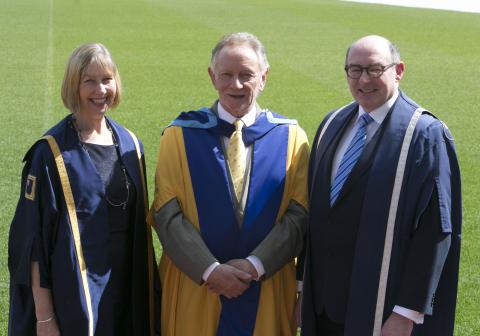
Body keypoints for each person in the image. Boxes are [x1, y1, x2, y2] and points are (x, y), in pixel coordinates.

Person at [149, 32, 309, 335]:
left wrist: (255, 265)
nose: (236, 85)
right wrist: (211, 271)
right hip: (198, 290)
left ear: (264, 77)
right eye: (226, 75)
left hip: (267, 288)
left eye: (246, 75)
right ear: (212, 77)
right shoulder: (179, 134)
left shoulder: (291, 138)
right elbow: (166, 213)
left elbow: (299, 215)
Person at [301, 35, 462, 336]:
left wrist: (406, 313)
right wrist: (302, 287)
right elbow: (316, 216)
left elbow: (435, 230)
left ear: (398, 70)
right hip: (323, 304)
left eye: (375, 69)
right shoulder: (331, 124)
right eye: (354, 69)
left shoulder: (425, 135)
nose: (363, 79)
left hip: (381, 306)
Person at [8, 43, 160, 336]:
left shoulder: (130, 144)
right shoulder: (51, 154)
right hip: (74, 293)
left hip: (128, 286)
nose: (100, 90)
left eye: (107, 79)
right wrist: (44, 317)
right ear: (72, 87)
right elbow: (33, 244)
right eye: (89, 81)